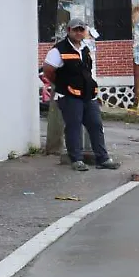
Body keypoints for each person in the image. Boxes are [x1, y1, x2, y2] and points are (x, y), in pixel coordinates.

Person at [41, 18, 120, 172]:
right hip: (69, 96)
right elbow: (48, 71)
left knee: (96, 125)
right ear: (69, 31)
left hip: (88, 95)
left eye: (81, 30)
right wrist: (62, 85)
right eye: (75, 30)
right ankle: (76, 159)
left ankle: (102, 159)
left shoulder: (85, 48)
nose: (78, 33)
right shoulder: (58, 50)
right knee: (74, 127)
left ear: (85, 31)